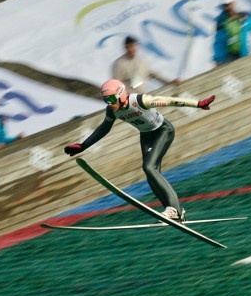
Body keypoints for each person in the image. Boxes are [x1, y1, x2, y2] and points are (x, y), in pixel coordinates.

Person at [64, 79, 215, 221]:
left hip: (162, 131)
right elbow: (104, 128)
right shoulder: (112, 110)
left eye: (110, 99)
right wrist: (84, 145)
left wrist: (198, 104)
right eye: (105, 100)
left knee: (149, 167)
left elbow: (170, 100)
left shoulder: (140, 101)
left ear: (120, 95)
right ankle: (174, 213)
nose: (109, 104)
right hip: (146, 135)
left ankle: (174, 209)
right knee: (151, 174)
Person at [112, 36, 180, 94]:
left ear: (136, 46)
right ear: (125, 48)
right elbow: (117, 84)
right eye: (128, 47)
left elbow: (153, 74)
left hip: (143, 96)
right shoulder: (119, 64)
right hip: (130, 100)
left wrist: (169, 82)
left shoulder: (140, 60)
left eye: (133, 46)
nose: (131, 49)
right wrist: (129, 95)